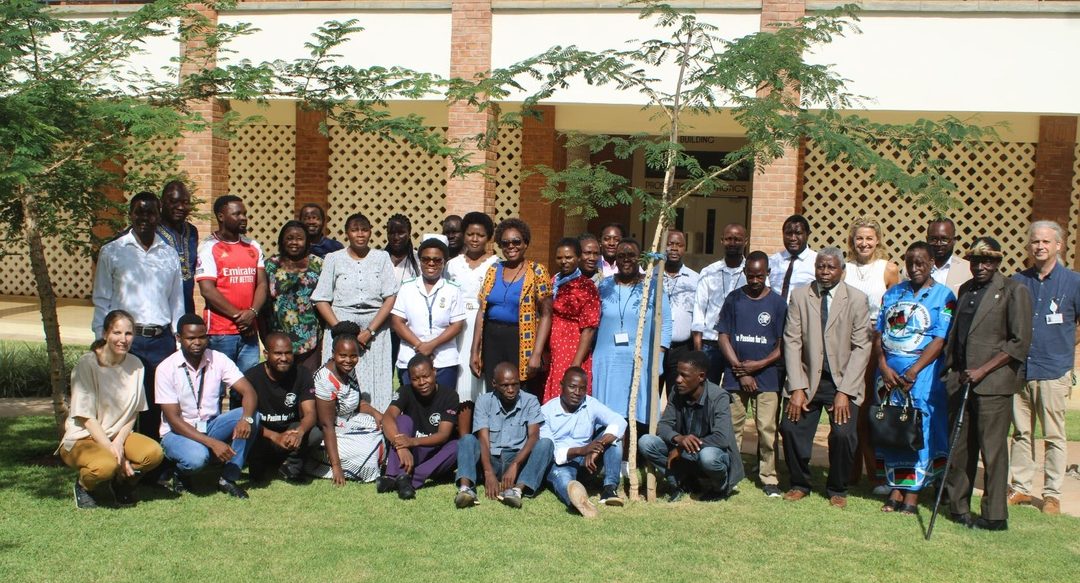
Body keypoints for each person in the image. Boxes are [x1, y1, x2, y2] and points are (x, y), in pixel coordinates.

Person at [944, 237, 1032, 531]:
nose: (980, 266)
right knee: (960, 449)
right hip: (961, 381)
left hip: (993, 383)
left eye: (987, 261)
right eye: (975, 261)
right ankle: (957, 507)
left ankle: (994, 515)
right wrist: (951, 374)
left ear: (997, 262)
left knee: (992, 451)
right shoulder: (965, 290)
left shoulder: (1013, 291)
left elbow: (1018, 343)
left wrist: (982, 370)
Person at [779, 247, 870, 508]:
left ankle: (837, 487)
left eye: (830, 267)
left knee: (843, 434)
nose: (825, 272)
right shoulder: (800, 296)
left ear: (842, 270)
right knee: (790, 427)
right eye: (821, 267)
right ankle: (799, 483)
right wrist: (796, 386)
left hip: (842, 381)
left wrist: (845, 392)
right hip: (808, 379)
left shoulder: (856, 299)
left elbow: (861, 347)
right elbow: (792, 341)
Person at [92, 192, 184, 440]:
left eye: (150, 212)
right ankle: (120, 465)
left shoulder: (169, 254)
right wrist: (101, 339)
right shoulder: (112, 251)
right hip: (125, 341)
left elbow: (176, 301)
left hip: (160, 341)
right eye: (139, 212)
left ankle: (152, 465)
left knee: (157, 404)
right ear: (130, 215)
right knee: (122, 403)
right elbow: (102, 299)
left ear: (159, 216)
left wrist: (178, 339)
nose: (144, 217)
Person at [874, 242, 954, 514]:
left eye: (921, 262)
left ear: (932, 262)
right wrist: (883, 366)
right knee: (895, 432)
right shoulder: (893, 293)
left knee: (919, 432)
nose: (915, 268)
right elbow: (878, 334)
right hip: (889, 377)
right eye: (911, 262)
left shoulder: (944, 296)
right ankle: (896, 489)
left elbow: (940, 339)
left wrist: (914, 370)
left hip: (922, 377)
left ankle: (913, 494)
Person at [60, 310, 165, 509]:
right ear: (105, 334)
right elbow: (86, 418)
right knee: (106, 465)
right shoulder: (87, 364)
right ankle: (84, 486)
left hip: (118, 435)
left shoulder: (136, 365)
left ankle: (120, 483)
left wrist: (118, 443)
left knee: (154, 453)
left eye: (128, 334)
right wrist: (117, 455)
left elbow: (134, 411)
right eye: (117, 333)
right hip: (85, 436)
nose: (123, 339)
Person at [1010, 220, 1080, 515]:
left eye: (1046, 242)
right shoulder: (1018, 280)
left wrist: (1066, 347)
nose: (1039, 246)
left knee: (1053, 435)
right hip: (1021, 370)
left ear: (1058, 246)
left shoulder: (1073, 282)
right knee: (1021, 433)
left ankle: (1051, 493)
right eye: (1035, 242)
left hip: (1053, 369)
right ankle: (1021, 488)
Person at [156, 314, 261, 499]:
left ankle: (228, 478)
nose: (197, 342)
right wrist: (213, 444)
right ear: (179, 339)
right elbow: (173, 419)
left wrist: (246, 419)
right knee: (197, 458)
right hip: (177, 433)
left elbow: (249, 392)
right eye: (190, 338)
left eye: (202, 337)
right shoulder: (166, 368)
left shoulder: (218, 359)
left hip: (210, 425)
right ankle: (179, 472)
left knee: (254, 416)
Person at [716, 251, 785, 498]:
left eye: (760, 276)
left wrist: (758, 365)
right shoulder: (734, 299)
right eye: (751, 275)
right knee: (733, 429)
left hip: (767, 378)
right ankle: (731, 474)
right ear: (745, 273)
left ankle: (769, 478)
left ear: (767, 273)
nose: (755, 281)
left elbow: (782, 344)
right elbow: (723, 335)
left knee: (767, 429)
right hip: (735, 377)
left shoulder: (777, 303)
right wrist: (740, 369)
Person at [313, 212, 398, 412]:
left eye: (364, 229)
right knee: (342, 378)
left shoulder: (381, 257)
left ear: (370, 232)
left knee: (376, 381)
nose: (360, 234)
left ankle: (377, 428)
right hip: (341, 324)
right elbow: (321, 298)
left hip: (375, 327)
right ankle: (338, 429)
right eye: (354, 230)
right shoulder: (334, 258)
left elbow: (390, 297)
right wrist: (341, 330)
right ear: (347, 234)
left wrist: (369, 331)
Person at [843, 217, 901, 492]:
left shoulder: (888, 269)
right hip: (849, 348)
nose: (863, 243)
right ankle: (849, 470)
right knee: (851, 409)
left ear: (877, 240)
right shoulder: (845, 269)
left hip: (876, 346)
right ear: (852, 241)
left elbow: (896, 310)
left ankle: (877, 474)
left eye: (869, 238)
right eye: (859, 238)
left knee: (871, 411)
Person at [639, 351, 744, 502]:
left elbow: (721, 438)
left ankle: (720, 488)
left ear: (701, 376)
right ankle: (682, 482)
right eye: (677, 374)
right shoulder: (677, 391)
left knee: (708, 457)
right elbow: (663, 426)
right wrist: (678, 438)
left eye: (684, 375)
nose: (678, 380)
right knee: (646, 442)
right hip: (686, 452)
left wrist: (682, 448)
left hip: (710, 452)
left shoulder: (719, 396)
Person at [592, 238, 672, 425]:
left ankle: (635, 453)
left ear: (640, 259)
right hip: (608, 363)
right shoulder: (604, 286)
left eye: (631, 255)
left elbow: (666, 324)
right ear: (615, 260)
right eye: (621, 256)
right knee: (609, 417)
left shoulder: (652, 287)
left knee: (637, 415)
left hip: (640, 362)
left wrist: (658, 358)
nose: (626, 260)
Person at [470, 218, 553, 395]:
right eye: (505, 243)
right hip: (491, 339)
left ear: (525, 243)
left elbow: (546, 315)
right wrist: (474, 351)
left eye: (516, 242)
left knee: (519, 389)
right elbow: (481, 311)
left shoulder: (537, 271)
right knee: (495, 388)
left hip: (521, 339)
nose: (511, 247)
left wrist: (537, 353)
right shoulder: (493, 269)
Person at [455, 362, 553, 509]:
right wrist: (488, 472)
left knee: (546, 444)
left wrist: (515, 464)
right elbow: (483, 438)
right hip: (490, 459)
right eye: (505, 385)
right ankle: (465, 490)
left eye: (515, 384)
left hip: (517, 460)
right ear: (494, 383)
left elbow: (533, 436)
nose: (511, 390)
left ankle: (516, 490)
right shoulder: (484, 401)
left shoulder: (530, 400)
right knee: (467, 439)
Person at [195, 194, 268, 377]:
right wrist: (239, 316)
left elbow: (262, 284)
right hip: (221, 332)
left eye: (244, 213)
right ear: (221, 216)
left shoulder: (253, 246)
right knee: (215, 387)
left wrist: (252, 313)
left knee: (247, 386)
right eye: (237, 214)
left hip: (250, 330)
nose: (243, 218)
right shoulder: (209, 247)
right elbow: (207, 290)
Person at [540, 367, 628, 517]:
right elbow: (552, 452)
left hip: (588, 462)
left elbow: (619, 420)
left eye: (582, 388)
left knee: (613, 434)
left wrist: (598, 447)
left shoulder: (590, 403)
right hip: (562, 463)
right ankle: (579, 502)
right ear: (561, 385)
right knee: (564, 481)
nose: (577, 392)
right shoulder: (546, 411)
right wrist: (583, 450)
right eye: (572, 387)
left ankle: (609, 489)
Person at [309, 322, 386, 485]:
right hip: (329, 432)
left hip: (349, 421)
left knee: (385, 425)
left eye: (353, 356)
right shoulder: (325, 380)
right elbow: (326, 425)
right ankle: (328, 464)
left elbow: (356, 402)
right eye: (342, 356)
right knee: (366, 452)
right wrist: (337, 467)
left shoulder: (348, 370)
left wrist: (376, 413)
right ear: (333, 353)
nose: (348, 360)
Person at [380, 355, 461, 499]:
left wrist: (411, 441)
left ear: (434, 372)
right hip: (409, 452)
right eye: (415, 379)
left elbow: (443, 435)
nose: (422, 382)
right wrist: (402, 447)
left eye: (426, 376)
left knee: (458, 445)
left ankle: (405, 479)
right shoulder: (405, 391)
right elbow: (388, 417)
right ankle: (395, 475)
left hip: (434, 454)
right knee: (403, 420)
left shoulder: (450, 395)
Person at [391, 237, 466, 389]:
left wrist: (431, 345)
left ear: (444, 262)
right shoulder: (407, 288)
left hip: (444, 359)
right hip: (411, 357)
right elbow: (397, 321)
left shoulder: (452, 289)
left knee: (443, 406)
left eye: (437, 260)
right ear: (420, 261)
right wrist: (419, 345)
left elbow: (457, 325)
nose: (431, 263)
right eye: (426, 259)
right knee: (412, 408)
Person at [244, 333, 317, 483]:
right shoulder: (251, 377)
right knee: (251, 429)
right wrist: (274, 436)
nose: (284, 358)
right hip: (262, 434)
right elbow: (242, 418)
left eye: (288, 353)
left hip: (290, 434)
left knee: (315, 433)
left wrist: (299, 432)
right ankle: (259, 463)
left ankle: (291, 466)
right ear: (266, 354)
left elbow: (310, 413)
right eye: (278, 353)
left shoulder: (302, 374)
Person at [446, 212, 499, 403]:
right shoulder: (452, 265)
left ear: (489, 238)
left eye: (480, 235)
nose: (475, 239)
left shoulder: (496, 265)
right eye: (470, 234)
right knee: (458, 372)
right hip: (456, 326)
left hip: (483, 324)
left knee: (480, 374)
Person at [543, 237, 600, 403]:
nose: (564, 261)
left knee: (569, 393)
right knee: (554, 393)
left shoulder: (586, 287)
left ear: (578, 258)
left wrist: (576, 363)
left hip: (572, 349)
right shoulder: (554, 281)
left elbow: (589, 328)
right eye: (559, 258)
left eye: (568, 257)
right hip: (554, 349)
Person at [263, 220, 323, 371]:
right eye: (289, 238)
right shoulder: (270, 265)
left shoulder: (319, 265)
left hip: (310, 340)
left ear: (307, 241)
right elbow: (264, 305)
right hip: (278, 340)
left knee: (308, 384)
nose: (294, 242)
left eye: (299, 238)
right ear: (282, 241)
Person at [693, 223, 748, 382]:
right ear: (722, 241)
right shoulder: (709, 272)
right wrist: (698, 348)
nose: (733, 243)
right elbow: (699, 309)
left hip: (739, 343)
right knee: (707, 391)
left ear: (745, 241)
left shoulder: (751, 273)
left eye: (737, 239)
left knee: (735, 392)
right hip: (711, 343)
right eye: (729, 239)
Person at [661, 230, 699, 393]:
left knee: (677, 396)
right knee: (650, 395)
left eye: (679, 245)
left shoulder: (695, 279)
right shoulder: (650, 276)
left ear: (685, 248)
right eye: (670, 244)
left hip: (682, 349)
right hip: (655, 348)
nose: (674, 248)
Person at [157, 180, 199, 315]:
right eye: (174, 202)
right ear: (162, 203)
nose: (180, 207)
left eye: (185, 203)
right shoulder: (152, 232)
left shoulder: (191, 232)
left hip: (186, 309)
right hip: (159, 312)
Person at [386, 213, 420, 368]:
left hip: (409, 326)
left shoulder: (418, 261)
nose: (396, 237)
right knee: (386, 366)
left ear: (409, 233)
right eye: (392, 233)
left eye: (401, 232)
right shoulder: (380, 259)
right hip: (384, 326)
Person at [769, 214, 818, 301]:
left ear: (808, 234)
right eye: (788, 233)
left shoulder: (817, 262)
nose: (793, 238)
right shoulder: (773, 262)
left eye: (798, 233)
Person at [927, 218, 970, 296]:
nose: (939, 244)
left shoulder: (968, 270)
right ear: (927, 239)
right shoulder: (913, 269)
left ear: (954, 240)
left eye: (944, 239)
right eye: (934, 239)